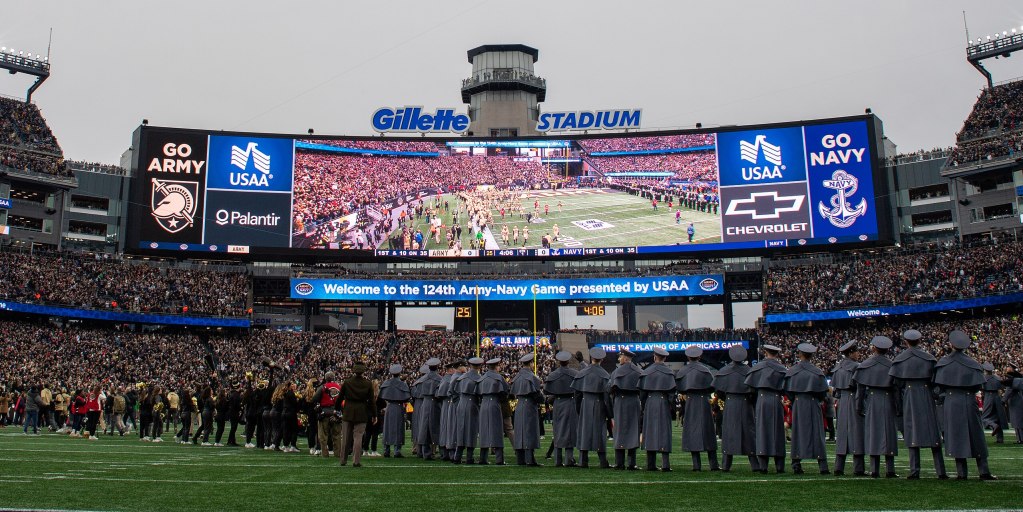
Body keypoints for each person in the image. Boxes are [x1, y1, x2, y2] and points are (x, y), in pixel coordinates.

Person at [934, 330, 996, 480]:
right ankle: (984, 471)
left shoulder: (943, 362)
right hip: (969, 400)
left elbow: (937, 388)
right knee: (976, 436)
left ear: (951, 344)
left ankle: (962, 473)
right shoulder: (973, 364)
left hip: (951, 401)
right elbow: (978, 386)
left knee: (956, 436)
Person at [890, 329, 947, 479]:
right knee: (932, 430)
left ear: (906, 342)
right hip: (926, 393)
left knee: (912, 429)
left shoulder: (900, 359)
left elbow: (896, 382)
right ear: (920, 341)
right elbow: (936, 380)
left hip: (909, 394)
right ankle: (941, 471)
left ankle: (914, 470)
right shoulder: (929, 358)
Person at [854, 336, 899, 478]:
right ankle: (890, 469)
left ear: (874, 348)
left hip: (872, 400)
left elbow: (860, 390)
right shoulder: (892, 365)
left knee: (873, 433)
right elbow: (897, 389)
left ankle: (874, 469)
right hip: (888, 399)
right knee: (889, 434)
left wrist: (859, 407)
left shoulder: (865, 365)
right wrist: (899, 407)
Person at [785, 343, 830, 475]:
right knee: (817, 434)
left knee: (797, 433)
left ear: (799, 354)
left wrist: (796, 400)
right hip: (814, 403)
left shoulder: (792, 371)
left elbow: (788, 391)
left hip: (798, 404)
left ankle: (796, 464)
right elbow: (823, 393)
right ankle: (823, 466)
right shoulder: (817, 372)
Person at [712, 345, 757, 472]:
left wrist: (727, 397)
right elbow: (754, 391)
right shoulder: (749, 371)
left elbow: (719, 391)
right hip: (746, 403)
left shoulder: (724, 371)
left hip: (730, 402)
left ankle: (726, 465)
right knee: (749, 433)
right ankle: (755, 464)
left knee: (728, 432)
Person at [745, 344, 787, 474]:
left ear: (765, 352)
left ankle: (763, 465)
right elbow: (786, 388)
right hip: (776, 399)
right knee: (778, 431)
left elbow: (750, 388)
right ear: (777, 354)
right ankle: (780, 466)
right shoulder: (782, 369)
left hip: (762, 400)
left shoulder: (757, 367)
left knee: (762, 431)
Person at [676, 346, 719, 471]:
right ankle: (713, 464)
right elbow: (712, 386)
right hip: (704, 401)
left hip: (690, 401)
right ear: (699, 357)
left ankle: (696, 465)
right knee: (709, 431)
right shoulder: (705, 370)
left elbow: (680, 387)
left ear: (688, 357)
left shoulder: (683, 371)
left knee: (692, 431)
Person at [572, 347, 611, 468]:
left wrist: (579, 408)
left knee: (584, 431)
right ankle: (603, 461)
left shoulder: (582, 372)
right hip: (599, 404)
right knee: (600, 432)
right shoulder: (605, 374)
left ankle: (583, 461)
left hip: (585, 403)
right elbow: (607, 396)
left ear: (591, 358)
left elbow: (577, 394)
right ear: (602, 360)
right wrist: (610, 414)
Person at [832, 341, 865, 476]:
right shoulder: (857, 367)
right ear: (851, 352)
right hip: (853, 399)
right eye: (857, 352)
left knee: (842, 434)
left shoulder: (838, 367)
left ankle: (838, 467)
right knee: (856, 433)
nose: (859, 354)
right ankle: (858, 468)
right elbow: (860, 388)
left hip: (841, 401)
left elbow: (835, 391)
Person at [640, 346, 675, 472]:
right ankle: (665, 464)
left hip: (650, 402)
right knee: (664, 432)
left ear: (654, 356)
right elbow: (671, 394)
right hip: (663, 402)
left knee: (649, 432)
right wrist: (671, 408)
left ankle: (650, 464)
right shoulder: (669, 373)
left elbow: (642, 393)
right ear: (664, 358)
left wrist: (644, 406)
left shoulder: (647, 371)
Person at [608, 349, 642, 470]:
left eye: (620, 357)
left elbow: (610, 389)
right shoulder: (639, 371)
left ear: (625, 358)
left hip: (620, 403)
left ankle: (619, 462)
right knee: (633, 431)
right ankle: (632, 463)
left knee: (619, 431)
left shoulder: (616, 372)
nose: (619, 359)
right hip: (634, 402)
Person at [338, 363, 377, 467]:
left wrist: (336, 409)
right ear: (363, 371)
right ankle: (356, 461)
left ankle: (343, 460)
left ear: (353, 371)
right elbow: (372, 401)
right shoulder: (368, 383)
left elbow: (340, 397)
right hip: (361, 411)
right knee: (358, 437)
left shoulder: (347, 382)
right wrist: (374, 415)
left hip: (348, 411)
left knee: (346, 438)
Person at [544, 351, 579, 467]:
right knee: (569, 431)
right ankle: (569, 459)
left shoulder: (553, 375)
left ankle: (557, 460)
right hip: (570, 402)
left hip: (557, 403)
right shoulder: (574, 373)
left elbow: (546, 391)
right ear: (568, 361)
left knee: (557, 430)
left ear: (559, 362)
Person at [511, 353, 543, 466]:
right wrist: (543, 399)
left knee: (519, 432)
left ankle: (520, 459)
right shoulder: (532, 377)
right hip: (529, 405)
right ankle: (530, 459)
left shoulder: (517, 377)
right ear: (530, 363)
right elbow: (537, 395)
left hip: (519, 405)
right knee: (529, 431)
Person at [453, 357, 484, 464]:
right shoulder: (478, 378)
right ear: (479, 366)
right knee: (471, 429)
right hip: (472, 403)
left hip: (461, 403)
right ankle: (469, 457)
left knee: (461, 429)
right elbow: (480, 394)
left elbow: (453, 391)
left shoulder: (462, 377)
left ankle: (457, 456)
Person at [478, 357, 508, 465]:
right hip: (494, 402)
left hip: (484, 404)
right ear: (496, 366)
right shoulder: (498, 377)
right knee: (497, 430)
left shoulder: (482, 377)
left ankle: (483, 458)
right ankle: (499, 459)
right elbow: (505, 391)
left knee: (484, 430)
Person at [379, 364, 411, 458]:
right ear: (399, 373)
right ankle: (397, 451)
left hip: (389, 407)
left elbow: (382, 396)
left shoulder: (386, 383)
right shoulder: (402, 384)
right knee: (398, 428)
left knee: (387, 428)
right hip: (398, 407)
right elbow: (407, 398)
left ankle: (386, 450)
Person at [415, 358, 443, 460]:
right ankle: (442, 452)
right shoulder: (440, 379)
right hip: (435, 403)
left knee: (424, 428)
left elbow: (417, 391)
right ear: (437, 367)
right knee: (437, 427)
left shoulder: (422, 380)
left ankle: (424, 452)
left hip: (424, 403)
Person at [314, 371, 342, 458]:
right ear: (334, 378)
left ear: (325, 378)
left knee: (323, 435)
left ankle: (325, 454)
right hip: (336, 412)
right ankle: (338, 454)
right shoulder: (339, 387)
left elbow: (314, 399)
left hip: (325, 412)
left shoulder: (322, 387)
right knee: (337, 435)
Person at [442, 361, 465, 460]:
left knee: (454, 428)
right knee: (454, 428)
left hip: (454, 404)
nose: (466, 368)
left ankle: (453, 453)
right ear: (459, 367)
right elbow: (450, 392)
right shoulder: (456, 377)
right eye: (464, 366)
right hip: (456, 404)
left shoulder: (456, 376)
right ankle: (453, 454)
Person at [981, 363, 1008, 444]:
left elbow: (981, 388)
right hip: (997, 397)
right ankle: (1000, 438)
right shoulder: (997, 378)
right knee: (998, 417)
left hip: (988, 396)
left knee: (985, 417)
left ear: (985, 370)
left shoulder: (984, 378)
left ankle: (993, 425)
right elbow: (1002, 388)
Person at [1005, 367, 1023, 444]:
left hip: (1015, 402)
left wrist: (1003, 401)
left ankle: (1020, 439)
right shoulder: (1018, 380)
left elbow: (1008, 392)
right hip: (1019, 401)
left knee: (1017, 422)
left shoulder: (1013, 382)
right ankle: (1020, 438)